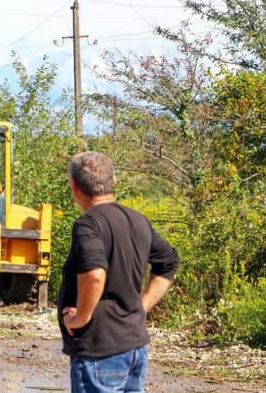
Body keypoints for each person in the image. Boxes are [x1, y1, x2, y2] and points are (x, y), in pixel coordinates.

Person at [58, 151, 179, 393]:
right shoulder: (137, 220)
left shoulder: (88, 224)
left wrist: (79, 318)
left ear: (74, 185)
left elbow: (94, 273)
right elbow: (169, 263)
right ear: (113, 181)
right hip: (134, 347)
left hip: (100, 350)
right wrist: (140, 307)